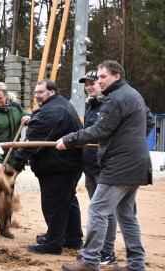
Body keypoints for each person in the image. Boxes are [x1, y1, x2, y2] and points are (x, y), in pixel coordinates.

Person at [59, 60, 154, 271]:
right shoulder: (133, 94)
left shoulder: (116, 98)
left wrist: (69, 139)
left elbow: (100, 130)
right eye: (98, 77)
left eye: (103, 77)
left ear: (116, 76)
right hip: (136, 163)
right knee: (127, 215)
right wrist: (129, 139)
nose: (99, 81)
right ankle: (136, 265)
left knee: (98, 209)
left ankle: (90, 261)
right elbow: (149, 121)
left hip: (120, 165)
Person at [10, 79, 84, 255]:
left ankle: (53, 244)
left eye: (40, 92)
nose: (37, 95)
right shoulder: (60, 104)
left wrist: (15, 166)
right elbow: (48, 120)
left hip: (57, 167)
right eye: (35, 92)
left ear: (51, 92)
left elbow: (33, 143)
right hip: (70, 165)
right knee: (68, 202)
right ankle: (73, 239)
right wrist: (34, 115)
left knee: (54, 205)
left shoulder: (51, 111)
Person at [0, 82, 30, 240]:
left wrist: (29, 118)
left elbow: (26, 117)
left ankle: (5, 227)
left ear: (6, 96)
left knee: (7, 194)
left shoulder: (15, 107)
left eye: (0, 98)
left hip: (12, 159)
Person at [79, 70, 118, 265]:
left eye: (92, 83)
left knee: (106, 211)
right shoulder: (91, 106)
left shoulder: (109, 103)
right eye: (86, 84)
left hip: (104, 166)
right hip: (90, 167)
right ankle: (95, 250)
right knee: (96, 211)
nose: (89, 87)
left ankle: (107, 252)